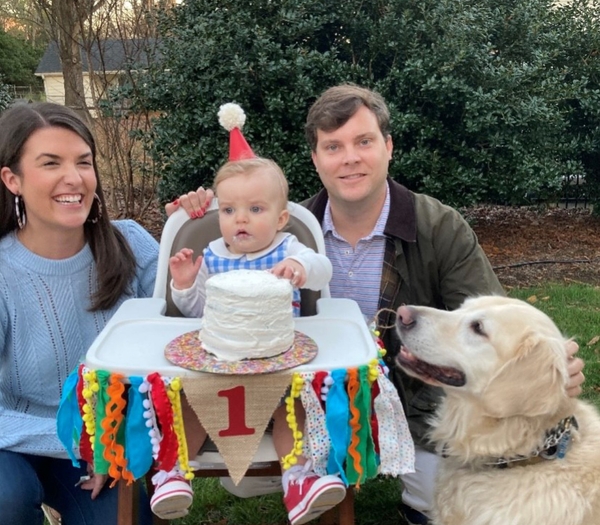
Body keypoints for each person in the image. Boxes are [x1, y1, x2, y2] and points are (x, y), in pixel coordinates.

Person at [168, 84, 585, 525]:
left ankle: (401, 479)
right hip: (308, 402)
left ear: (388, 146)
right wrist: (207, 206)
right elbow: (236, 224)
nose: (350, 158)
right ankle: (316, 473)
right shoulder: (287, 231)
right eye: (333, 146)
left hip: (413, 405)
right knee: (244, 478)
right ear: (316, 158)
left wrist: (545, 362)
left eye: (363, 142)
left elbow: (495, 318)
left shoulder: (439, 226)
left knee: (435, 495)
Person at [0, 101, 197, 525]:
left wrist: (202, 226)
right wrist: (89, 442)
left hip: (106, 444)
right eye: (51, 162)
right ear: (12, 179)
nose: (74, 178)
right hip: (14, 438)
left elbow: (188, 334)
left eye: (83, 162)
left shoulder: (128, 242)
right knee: (6, 499)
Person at [155, 155, 346, 525]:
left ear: (280, 218)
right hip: (219, 368)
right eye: (228, 210)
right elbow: (197, 313)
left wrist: (303, 268)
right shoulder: (211, 255)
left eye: (255, 208)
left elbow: (324, 273)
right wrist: (184, 284)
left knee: (295, 407)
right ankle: (173, 473)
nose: (240, 219)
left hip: (279, 364)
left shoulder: (288, 248)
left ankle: (298, 479)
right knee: (191, 404)